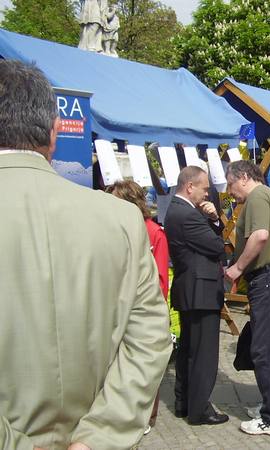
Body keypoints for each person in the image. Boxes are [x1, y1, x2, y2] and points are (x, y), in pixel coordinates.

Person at [0, 59, 171, 449]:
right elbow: (149, 337)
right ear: (54, 133)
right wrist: (100, 436)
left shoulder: (122, 218)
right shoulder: (122, 220)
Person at [224, 160, 270, 436]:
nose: (230, 191)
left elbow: (260, 236)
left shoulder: (257, 197)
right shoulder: (266, 195)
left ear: (243, 177)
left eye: (230, 184)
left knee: (266, 348)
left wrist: (237, 268)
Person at [164, 166, 229, 427]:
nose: (206, 195)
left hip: (190, 287)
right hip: (200, 289)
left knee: (188, 349)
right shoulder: (187, 214)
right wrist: (213, 221)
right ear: (189, 186)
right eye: (204, 189)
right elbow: (216, 246)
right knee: (202, 353)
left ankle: (184, 402)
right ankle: (199, 408)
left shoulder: (178, 211)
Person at [106, 180, 170, 434]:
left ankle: (144, 417)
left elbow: (161, 280)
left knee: (143, 364)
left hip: (142, 311)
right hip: (113, 308)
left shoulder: (154, 232)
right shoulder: (109, 229)